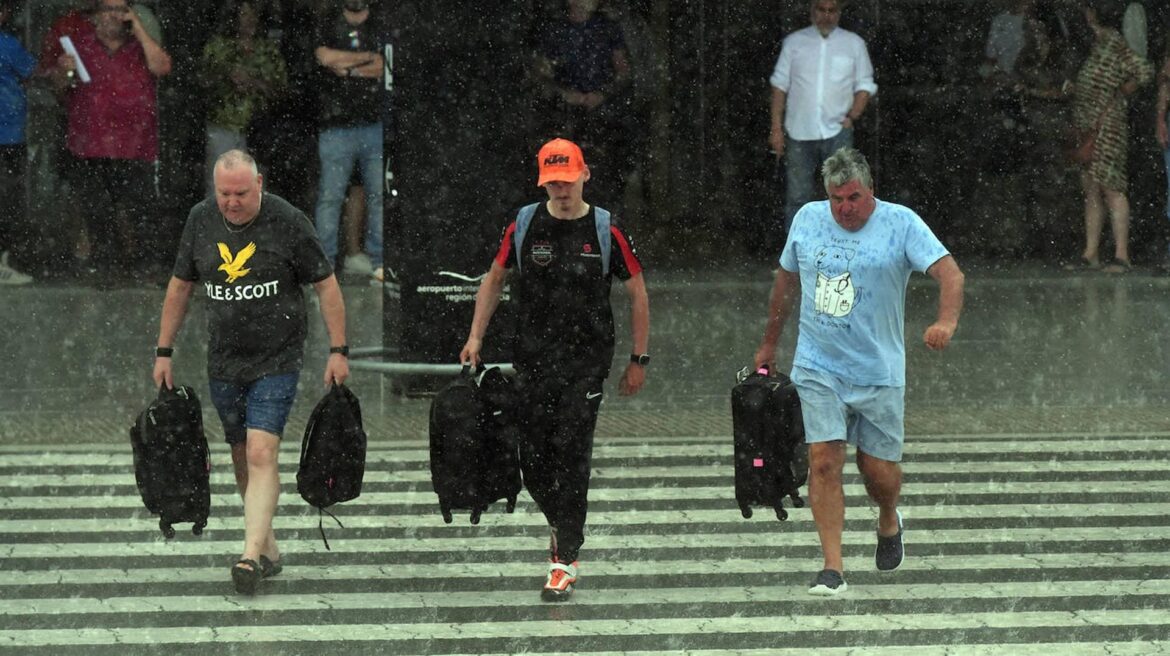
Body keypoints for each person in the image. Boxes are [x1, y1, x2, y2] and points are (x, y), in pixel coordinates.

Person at [753, 147, 964, 596]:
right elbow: (785, 281)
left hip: (878, 371)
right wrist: (770, 342)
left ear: (871, 192)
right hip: (818, 366)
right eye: (837, 199)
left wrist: (945, 322)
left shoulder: (900, 222)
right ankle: (833, 567)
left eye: (853, 197)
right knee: (824, 461)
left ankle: (888, 517)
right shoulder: (808, 220)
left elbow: (951, 274)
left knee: (878, 472)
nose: (845, 208)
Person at [460, 138, 649, 602]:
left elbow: (638, 293)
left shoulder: (606, 229)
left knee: (573, 453)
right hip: (533, 360)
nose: (561, 191)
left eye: (567, 181)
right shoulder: (525, 225)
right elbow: (494, 279)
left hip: (586, 365)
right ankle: (561, 524)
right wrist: (475, 336)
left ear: (585, 175)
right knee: (533, 461)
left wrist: (638, 358)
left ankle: (565, 555)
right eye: (552, 183)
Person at [152, 149, 349, 595]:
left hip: (277, 358)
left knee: (262, 453)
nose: (232, 202)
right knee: (241, 454)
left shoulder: (288, 221)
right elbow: (180, 285)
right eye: (224, 193)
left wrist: (339, 348)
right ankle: (268, 549)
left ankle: (248, 556)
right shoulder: (200, 219)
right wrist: (164, 350)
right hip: (223, 358)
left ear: (259, 183)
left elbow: (326, 284)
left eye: (241, 192)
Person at [43, 0, 172, 279]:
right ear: (97, 16)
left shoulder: (140, 45)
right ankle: (106, 268)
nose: (116, 16)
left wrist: (137, 26)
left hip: (135, 144)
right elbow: (59, 89)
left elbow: (162, 67)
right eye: (110, 10)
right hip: (91, 144)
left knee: (142, 210)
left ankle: (148, 268)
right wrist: (65, 71)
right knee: (97, 211)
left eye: (122, 9)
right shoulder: (80, 45)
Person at [769, 0, 877, 234]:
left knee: (845, 194)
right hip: (799, 130)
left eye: (831, 10)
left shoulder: (853, 44)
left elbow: (865, 84)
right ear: (812, 11)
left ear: (839, 13)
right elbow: (779, 86)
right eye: (821, 10)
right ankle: (796, 259)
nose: (826, 16)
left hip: (838, 130)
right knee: (798, 198)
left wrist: (853, 115)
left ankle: (843, 251)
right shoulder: (794, 43)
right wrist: (776, 128)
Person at [1065, 0, 1152, 273]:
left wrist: (1123, 91)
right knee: (1091, 187)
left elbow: (1144, 70)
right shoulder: (1094, 44)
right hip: (1088, 125)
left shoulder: (1113, 42)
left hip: (1107, 127)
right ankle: (1090, 253)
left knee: (1111, 188)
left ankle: (1121, 255)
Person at [312, 0, 387, 282]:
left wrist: (347, 67)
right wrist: (365, 61)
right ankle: (325, 265)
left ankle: (379, 260)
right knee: (330, 197)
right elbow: (323, 57)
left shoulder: (381, 24)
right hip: (335, 126)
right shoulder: (327, 23)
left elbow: (384, 65)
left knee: (378, 196)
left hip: (374, 124)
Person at [533, 0, 632, 211]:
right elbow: (540, 73)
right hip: (565, 114)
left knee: (607, 172)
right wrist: (565, 94)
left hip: (603, 113)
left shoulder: (607, 28)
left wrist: (602, 95)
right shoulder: (556, 29)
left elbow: (623, 71)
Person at [200, 0, 287, 192]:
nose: (249, 21)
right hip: (223, 124)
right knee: (219, 184)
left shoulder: (268, 50)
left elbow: (281, 90)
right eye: (244, 15)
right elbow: (202, 81)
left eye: (253, 15)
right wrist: (226, 76)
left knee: (255, 187)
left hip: (258, 128)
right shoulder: (218, 46)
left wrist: (254, 83)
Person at [0, 0, 35, 284]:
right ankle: (4, 261)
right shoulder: (8, 44)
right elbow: (35, 74)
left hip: (9, 134)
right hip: (8, 136)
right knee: (9, 200)